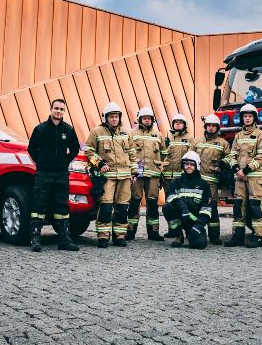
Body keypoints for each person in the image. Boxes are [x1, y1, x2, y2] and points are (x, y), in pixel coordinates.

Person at [27, 99, 81, 252]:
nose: (59, 111)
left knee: (62, 207)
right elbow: (31, 149)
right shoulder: (40, 129)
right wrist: (41, 163)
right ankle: (35, 239)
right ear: (51, 109)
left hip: (61, 174)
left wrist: (64, 162)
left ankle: (64, 240)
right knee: (39, 205)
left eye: (62, 109)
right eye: (56, 108)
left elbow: (75, 149)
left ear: (64, 112)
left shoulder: (68, 129)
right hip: (43, 174)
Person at [84, 102, 137, 248]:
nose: (114, 119)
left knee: (122, 207)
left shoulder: (126, 133)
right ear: (105, 118)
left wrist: (134, 173)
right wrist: (100, 164)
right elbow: (88, 151)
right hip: (107, 177)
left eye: (116, 116)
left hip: (125, 177)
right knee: (106, 206)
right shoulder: (96, 132)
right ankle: (103, 237)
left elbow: (132, 153)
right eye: (111, 117)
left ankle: (119, 237)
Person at [223, 103, 262, 248]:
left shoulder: (261, 134)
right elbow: (232, 155)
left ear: (254, 118)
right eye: (245, 116)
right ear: (242, 118)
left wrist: (246, 170)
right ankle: (238, 236)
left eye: (250, 116)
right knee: (238, 206)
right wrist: (236, 168)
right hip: (240, 177)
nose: (247, 118)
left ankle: (258, 236)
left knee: (256, 206)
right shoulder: (238, 136)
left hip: (255, 177)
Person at [126, 107, 165, 241]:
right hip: (137, 174)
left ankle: (153, 232)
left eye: (149, 118)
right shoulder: (131, 134)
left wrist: (160, 170)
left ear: (152, 120)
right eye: (144, 118)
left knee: (152, 202)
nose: (147, 120)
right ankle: (130, 231)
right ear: (139, 119)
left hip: (153, 174)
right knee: (134, 201)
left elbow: (164, 154)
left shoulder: (158, 135)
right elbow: (127, 152)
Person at [191, 114, 231, 245]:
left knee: (212, 208)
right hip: (196, 181)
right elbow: (189, 157)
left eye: (214, 126)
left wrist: (222, 164)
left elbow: (230, 157)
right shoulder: (196, 141)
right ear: (205, 126)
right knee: (195, 207)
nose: (211, 128)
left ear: (217, 127)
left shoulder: (223, 143)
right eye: (209, 125)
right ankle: (194, 233)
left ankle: (214, 236)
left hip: (211, 181)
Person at [162, 151, 212, 249]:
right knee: (167, 207)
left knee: (200, 244)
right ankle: (178, 234)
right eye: (186, 164)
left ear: (197, 165)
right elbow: (170, 196)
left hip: (194, 220)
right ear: (183, 165)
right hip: (180, 215)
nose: (188, 166)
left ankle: (190, 234)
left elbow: (207, 208)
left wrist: (199, 226)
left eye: (191, 164)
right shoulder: (176, 182)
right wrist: (183, 208)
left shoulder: (203, 184)